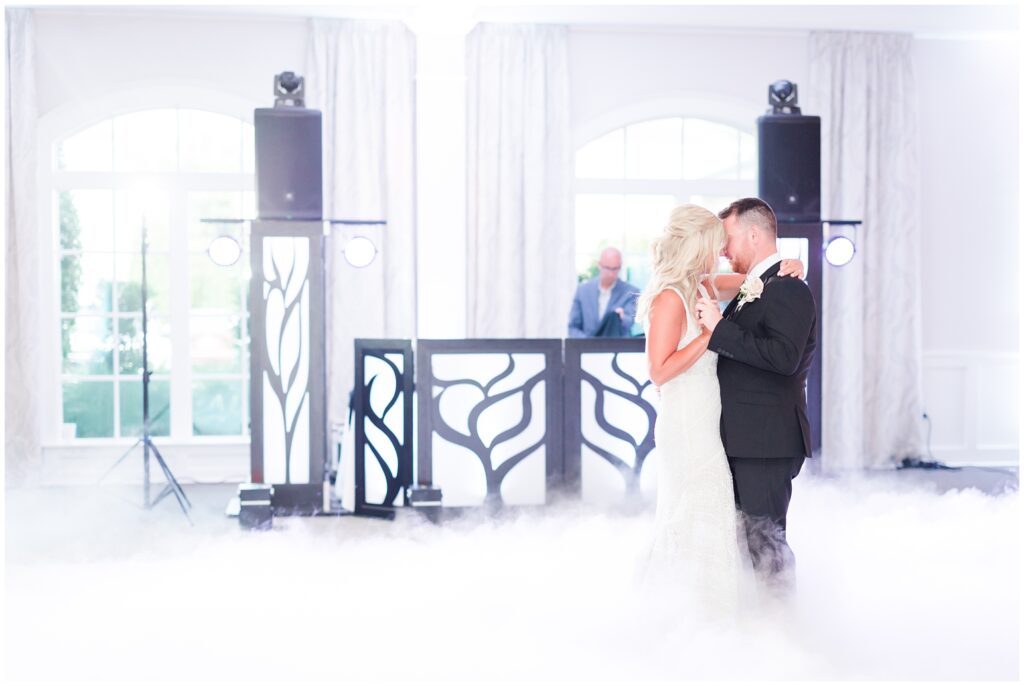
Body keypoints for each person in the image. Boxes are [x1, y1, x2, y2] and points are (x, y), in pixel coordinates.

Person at [635, 203, 805, 614]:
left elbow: (755, 279)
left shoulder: (706, 286)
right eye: (715, 244)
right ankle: (686, 612)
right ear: (696, 246)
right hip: (688, 424)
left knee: (718, 522)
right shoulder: (671, 297)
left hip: (714, 422)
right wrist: (710, 335)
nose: (721, 251)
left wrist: (793, 264)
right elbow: (658, 371)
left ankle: (721, 613)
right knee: (694, 511)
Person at [694, 197, 817, 595]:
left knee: (767, 545)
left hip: (766, 440)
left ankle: (783, 631)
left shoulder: (789, 290)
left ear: (753, 233)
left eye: (727, 238)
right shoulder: (758, 287)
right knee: (748, 544)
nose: (723, 250)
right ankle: (760, 631)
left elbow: (783, 359)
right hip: (745, 438)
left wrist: (718, 328)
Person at [567, 247, 640, 337]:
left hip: (617, 348)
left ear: (620, 266)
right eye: (607, 268)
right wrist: (589, 344)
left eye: (615, 269)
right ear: (600, 265)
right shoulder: (583, 291)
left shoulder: (631, 292)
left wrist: (622, 317)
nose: (611, 274)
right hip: (587, 348)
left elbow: (630, 322)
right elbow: (573, 327)